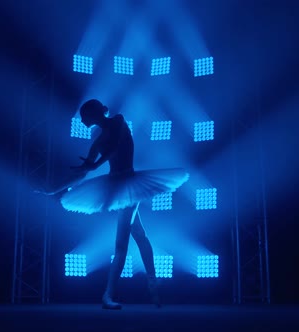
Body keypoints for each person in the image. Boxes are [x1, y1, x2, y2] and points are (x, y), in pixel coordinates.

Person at [35, 99, 189, 309]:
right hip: (117, 185)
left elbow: (115, 144)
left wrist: (96, 163)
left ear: (93, 113)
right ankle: (152, 281)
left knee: (120, 246)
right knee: (141, 236)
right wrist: (54, 189)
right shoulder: (96, 143)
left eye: (84, 117)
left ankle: (108, 295)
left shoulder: (118, 121)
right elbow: (82, 173)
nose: (82, 121)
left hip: (128, 185)